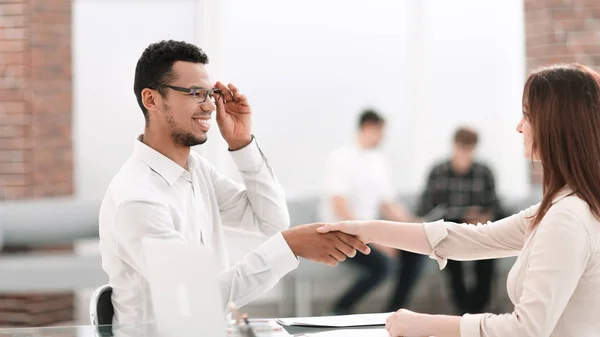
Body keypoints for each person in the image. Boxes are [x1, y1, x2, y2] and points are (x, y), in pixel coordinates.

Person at [315, 63, 600, 337]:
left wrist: (424, 324)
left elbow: (525, 330)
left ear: (556, 125)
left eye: (527, 115)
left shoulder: (567, 216)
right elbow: (467, 238)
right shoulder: (562, 207)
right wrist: (365, 230)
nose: (519, 127)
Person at [98, 40, 370, 324]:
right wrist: (288, 247)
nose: (209, 106)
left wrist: (242, 144)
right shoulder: (137, 199)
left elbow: (270, 220)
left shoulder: (195, 170)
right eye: (194, 93)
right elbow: (196, 300)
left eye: (210, 94)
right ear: (151, 99)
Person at [319, 109, 422, 314]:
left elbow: (388, 204)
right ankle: (341, 309)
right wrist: (374, 239)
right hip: (342, 233)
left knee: (415, 253)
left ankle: (395, 312)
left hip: (369, 230)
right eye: (381, 132)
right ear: (368, 128)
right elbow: (339, 206)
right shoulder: (340, 158)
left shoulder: (378, 162)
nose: (383, 137)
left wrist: (414, 224)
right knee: (384, 266)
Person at [418, 127, 502, 314]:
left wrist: (480, 218)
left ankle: (477, 311)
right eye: (461, 147)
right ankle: (465, 312)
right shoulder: (438, 171)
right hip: (448, 232)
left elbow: (494, 207)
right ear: (454, 146)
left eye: (469, 148)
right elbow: (427, 209)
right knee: (452, 264)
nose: (464, 153)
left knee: (487, 261)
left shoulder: (484, 172)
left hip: (478, 232)